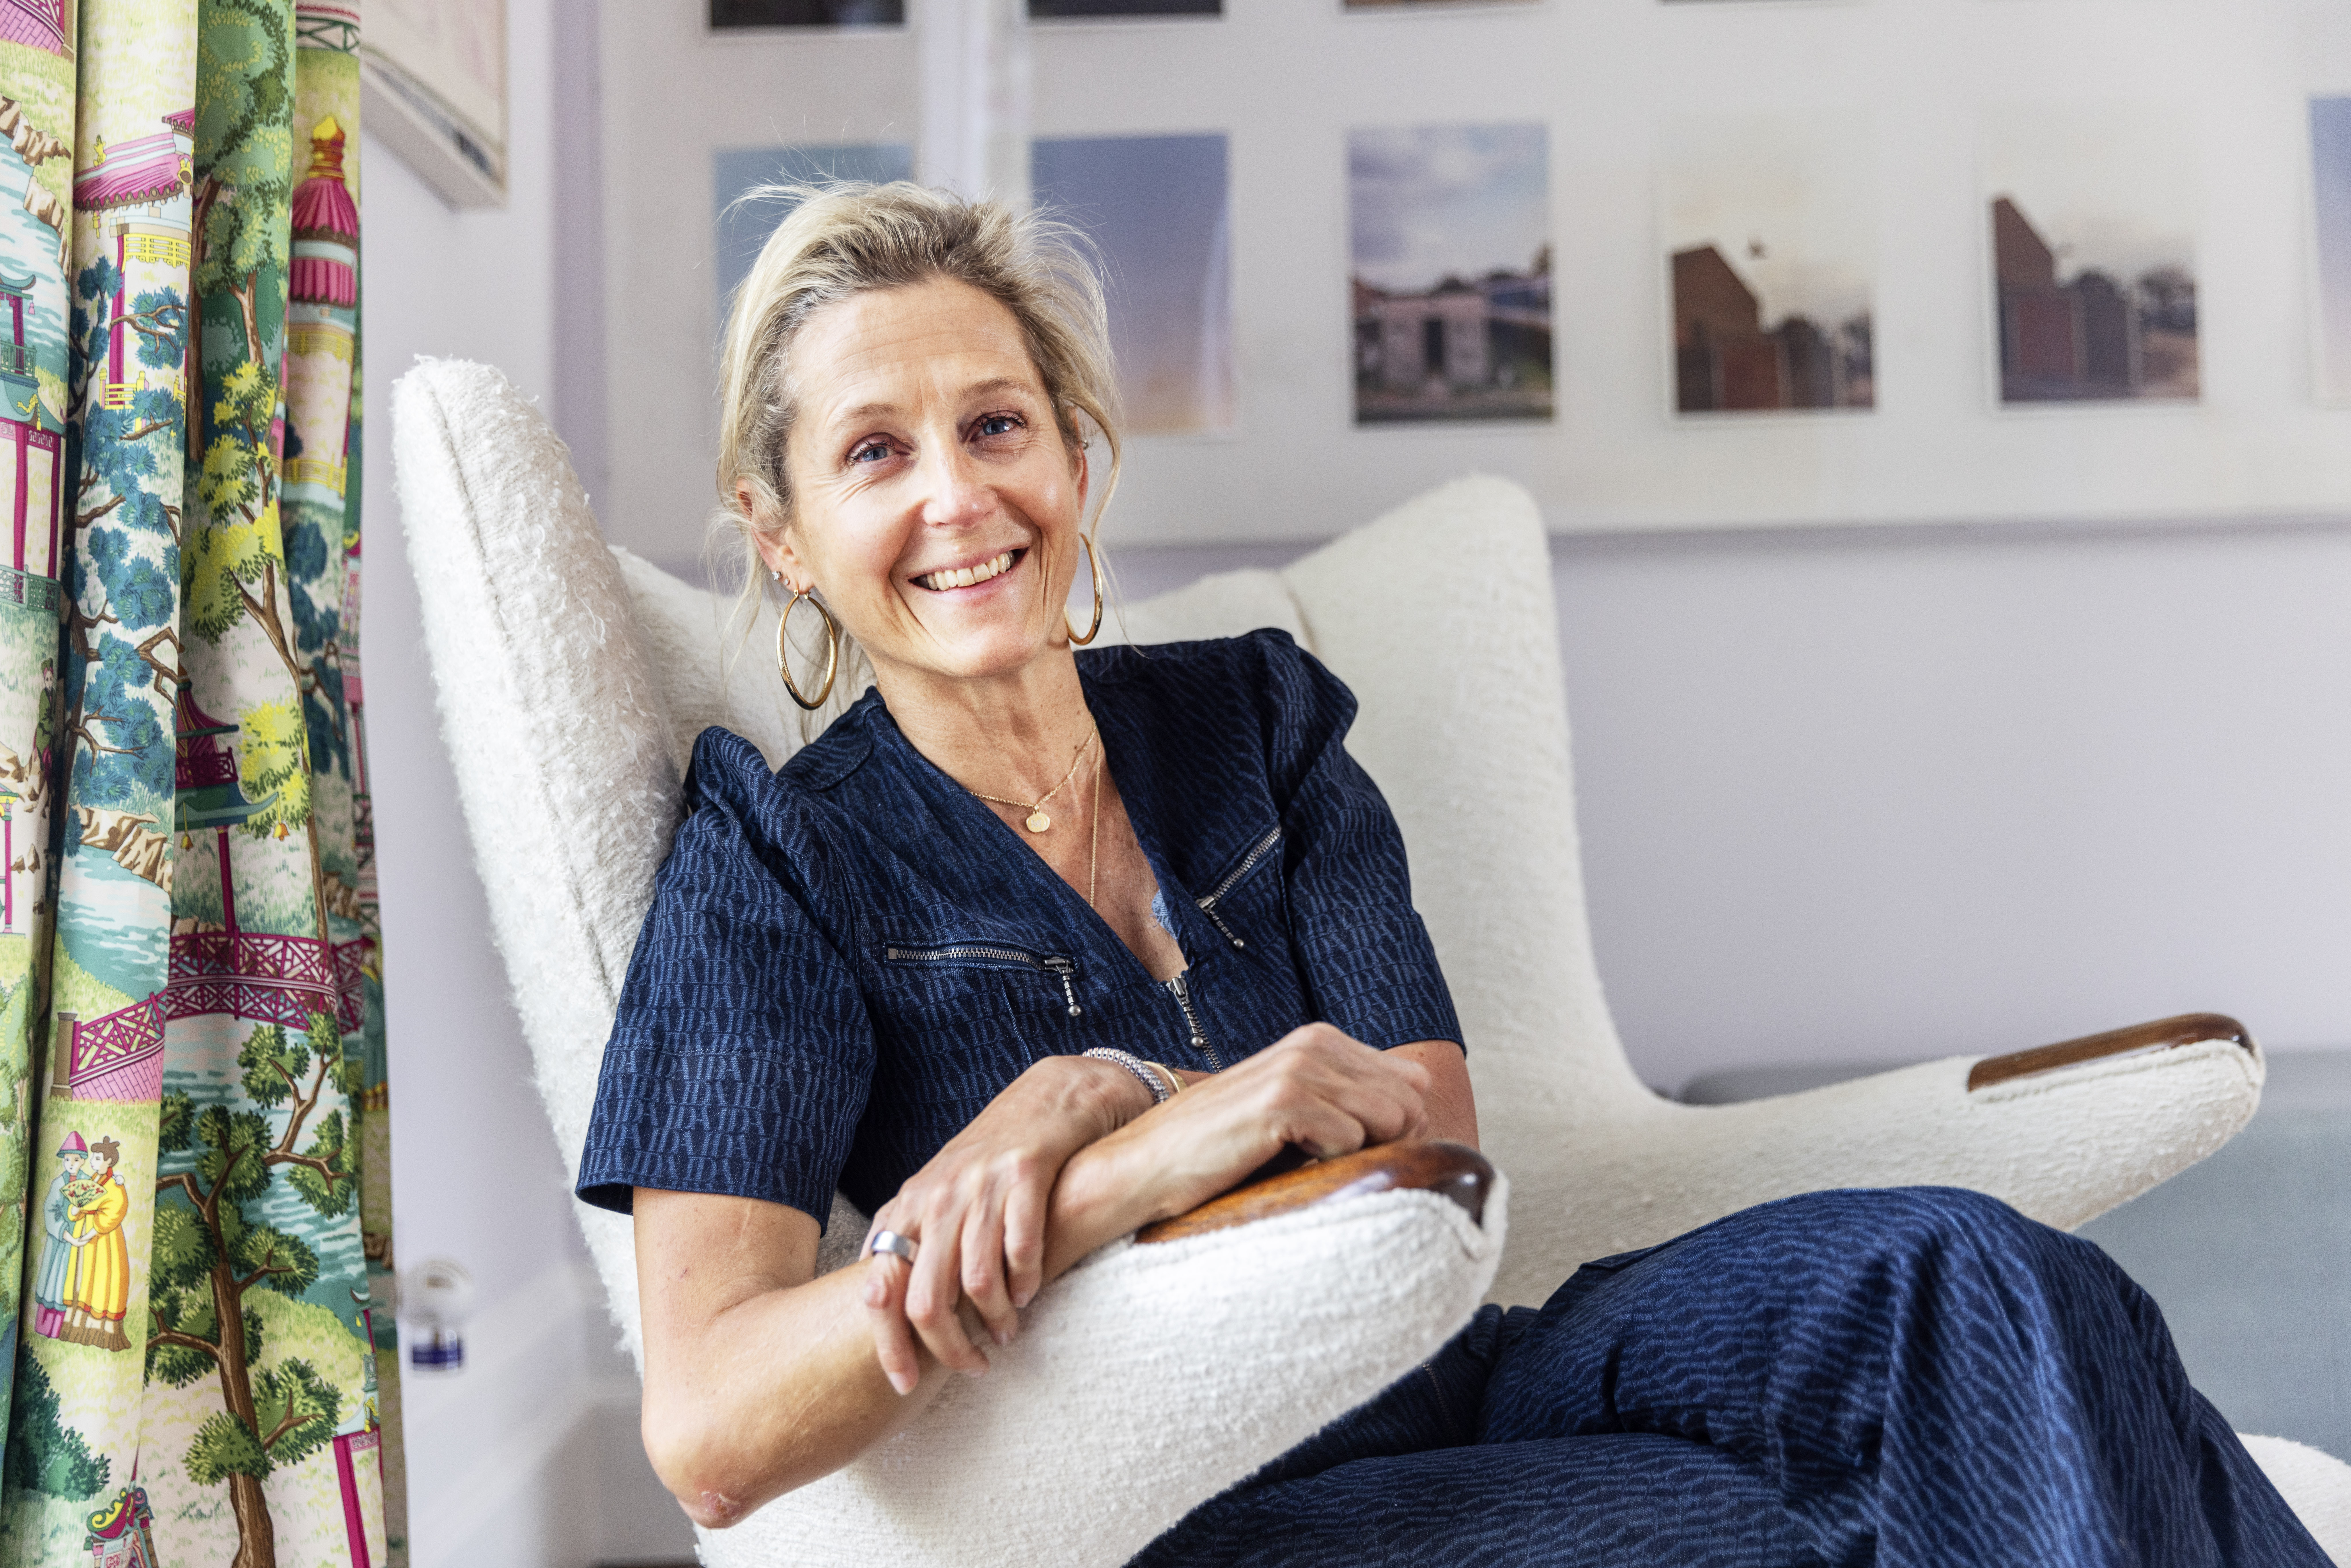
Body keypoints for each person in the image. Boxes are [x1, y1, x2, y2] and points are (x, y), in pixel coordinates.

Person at [575, 183, 2326, 1566]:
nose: (960, 495)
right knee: (1819, 1524)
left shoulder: (1254, 715)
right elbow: (714, 1428)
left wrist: (1094, 1094)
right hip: (1202, 1486)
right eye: (878, 450)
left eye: (997, 424)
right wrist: (1102, 1145)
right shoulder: (775, 862)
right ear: (784, 535)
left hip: (1478, 1362)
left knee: (1991, 1281)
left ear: (1078, 460)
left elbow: (1426, 1131)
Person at [61, 1135, 131, 1351]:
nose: (93, 1162)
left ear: (109, 1162)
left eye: (98, 1158)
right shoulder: (93, 1180)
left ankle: (100, 1331)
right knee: (83, 1277)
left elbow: (116, 1211)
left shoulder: (115, 1185)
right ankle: (77, 1326)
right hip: (87, 1234)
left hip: (105, 1239)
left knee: (103, 1279)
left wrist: (93, 1232)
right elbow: (82, 1203)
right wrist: (75, 1211)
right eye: (93, 1158)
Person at [32, 1133, 87, 1341]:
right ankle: (43, 1332)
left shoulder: (87, 1183)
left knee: (69, 1287)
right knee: (52, 1283)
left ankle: (60, 1332)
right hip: (59, 1243)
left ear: (83, 1161)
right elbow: (50, 1211)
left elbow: (94, 1205)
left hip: (79, 1246)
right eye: (67, 1159)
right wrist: (66, 1232)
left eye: (75, 1160)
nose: (71, 1164)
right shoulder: (58, 1183)